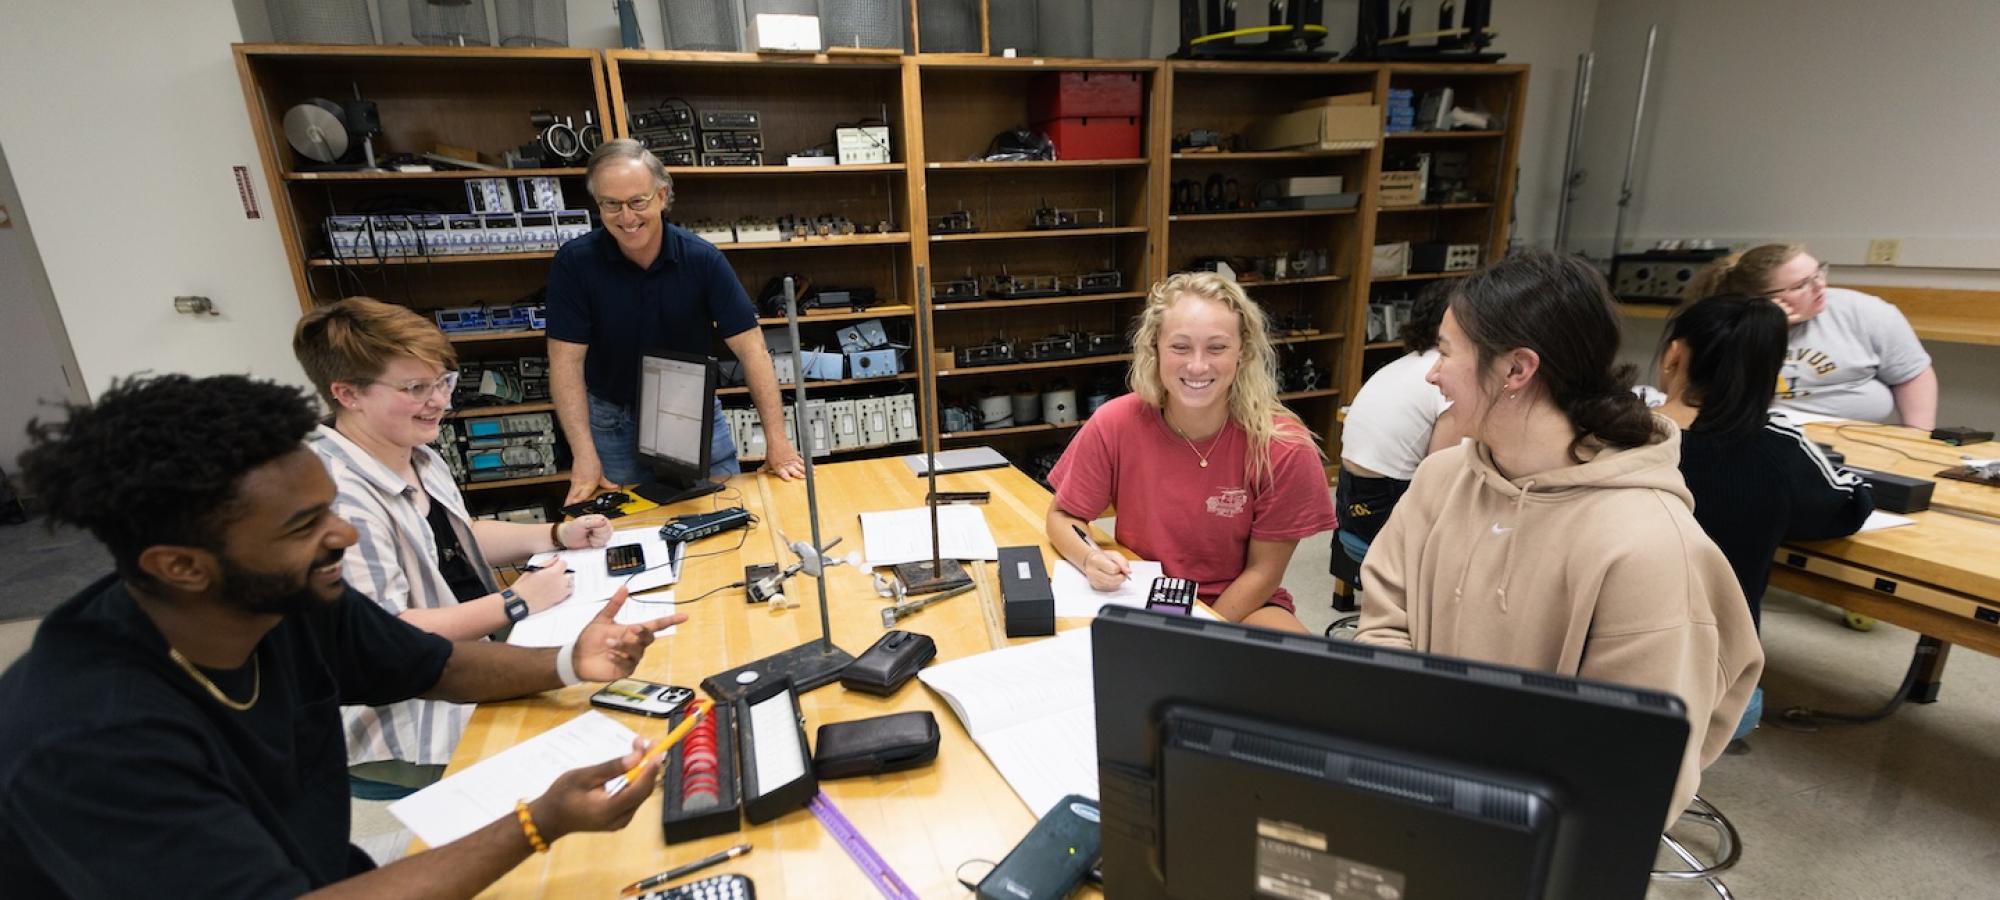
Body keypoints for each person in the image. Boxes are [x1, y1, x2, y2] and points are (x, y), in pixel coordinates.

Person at [0, 373, 685, 897]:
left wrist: (566, 660)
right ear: (180, 567)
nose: (345, 535)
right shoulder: (89, 741)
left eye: (327, 507)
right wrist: (539, 821)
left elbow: (432, 665)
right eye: (304, 526)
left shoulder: (285, 595)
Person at [1355, 251, 1763, 826]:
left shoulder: (1648, 545)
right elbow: (1386, 620)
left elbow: (1634, 767)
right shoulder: (1442, 478)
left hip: (1531, 836)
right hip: (1423, 800)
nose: (1431, 371)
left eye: (1446, 351)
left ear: (1516, 370)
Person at [295, 297, 620, 797]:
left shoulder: (415, 453)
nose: (439, 401)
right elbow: (388, 633)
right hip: (411, 722)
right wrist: (517, 601)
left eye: (442, 382)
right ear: (347, 394)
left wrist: (556, 534)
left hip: (473, 660)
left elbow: (454, 536)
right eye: (415, 388)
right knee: (601, 744)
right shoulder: (338, 494)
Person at [1045, 272, 1338, 633]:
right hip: (1139, 597)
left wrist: (1198, 634)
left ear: (1242, 349)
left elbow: (1263, 574)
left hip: (1239, 604)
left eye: (1217, 347)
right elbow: (1064, 516)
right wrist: (1090, 558)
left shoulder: (1282, 447)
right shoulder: (1115, 423)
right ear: (1155, 346)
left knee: (1310, 677)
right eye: (1180, 347)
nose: (1197, 366)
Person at [1657, 293, 1876, 740]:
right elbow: (1843, 508)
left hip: (1595, 673)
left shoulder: (1615, 435)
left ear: (1673, 355)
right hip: (1720, 691)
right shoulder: (1779, 447)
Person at [546, 138, 806, 504]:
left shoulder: (703, 260)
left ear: (662, 195)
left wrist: (778, 443)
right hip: (612, 418)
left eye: (638, 201)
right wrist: (584, 453)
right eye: (611, 205)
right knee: (632, 528)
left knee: (724, 509)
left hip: (691, 411)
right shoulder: (574, 265)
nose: (627, 217)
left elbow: (753, 352)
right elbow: (565, 363)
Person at [1684, 242, 1937, 430]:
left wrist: (1918, 436)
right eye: (1800, 285)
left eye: (1819, 273)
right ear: (1763, 298)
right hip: (1758, 436)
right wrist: (1765, 328)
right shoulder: (1728, 322)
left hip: (1856, 441)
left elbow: (1912, 374)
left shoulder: (1866, 311)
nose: (1820, 286)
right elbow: (1701, 391)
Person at [1333, 280, 1459, 564]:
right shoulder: (1445, 374)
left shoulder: (1401, 365)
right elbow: (1442, 472)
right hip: (1383, 509)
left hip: (1347, 501)